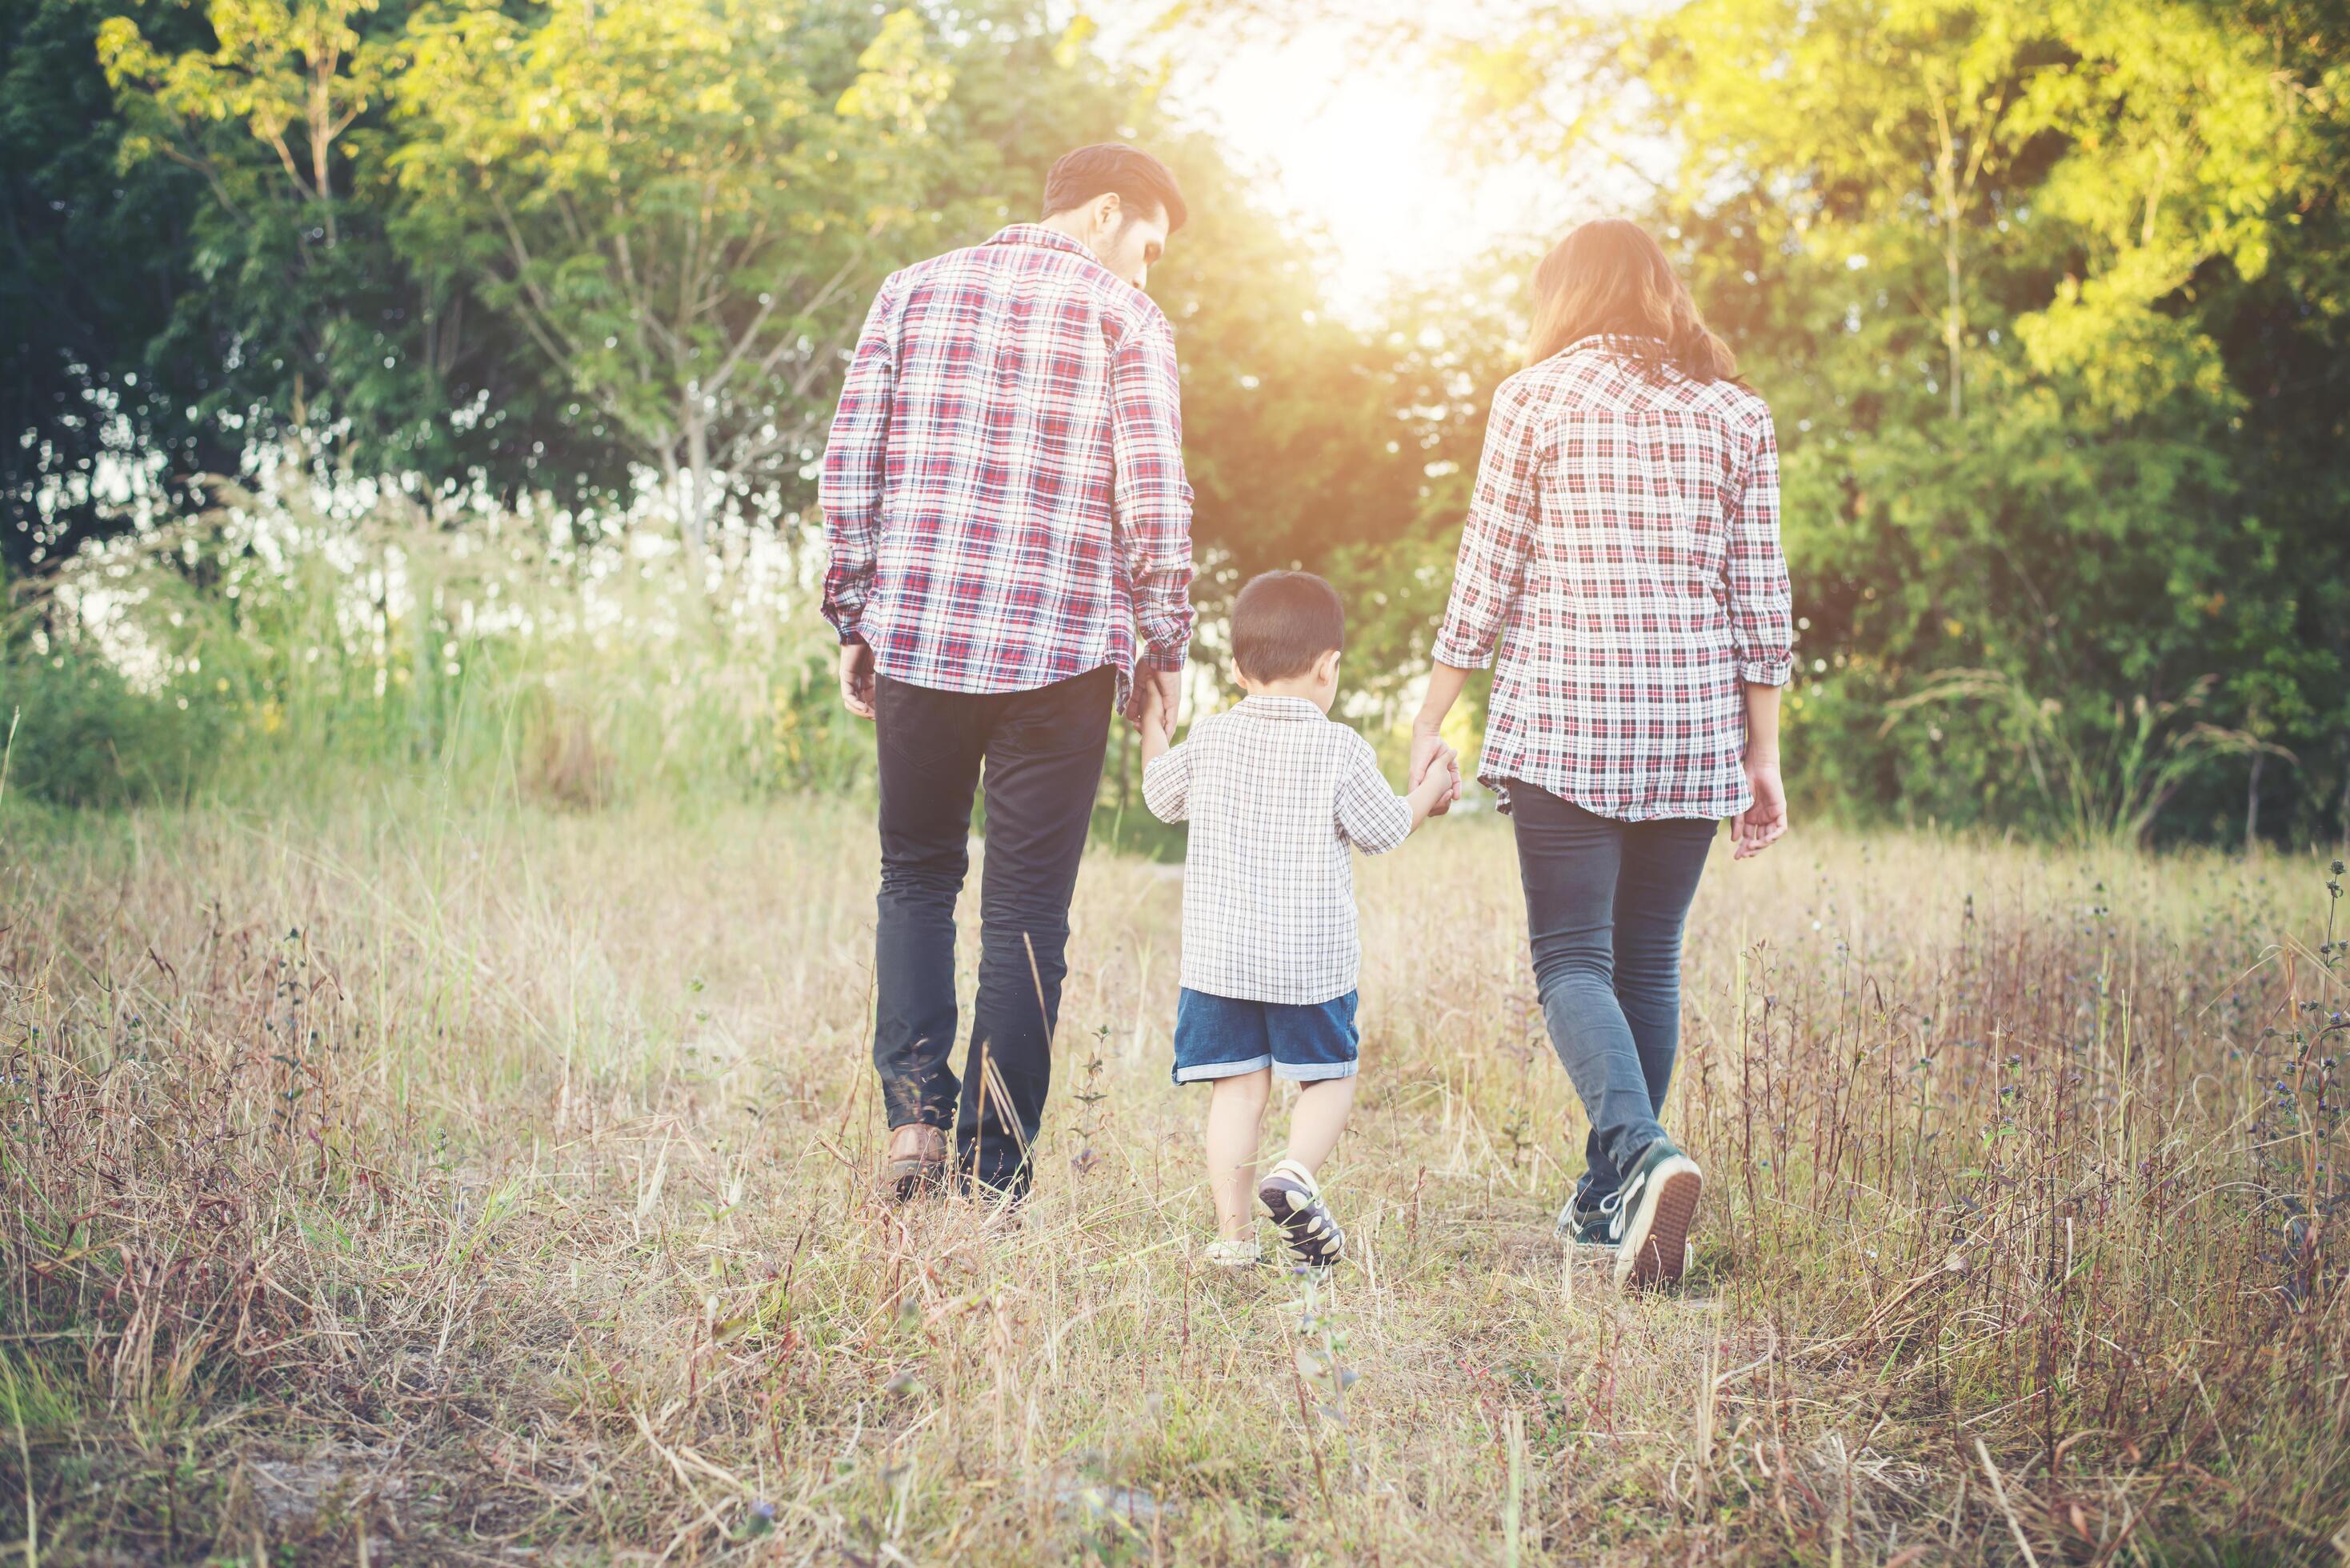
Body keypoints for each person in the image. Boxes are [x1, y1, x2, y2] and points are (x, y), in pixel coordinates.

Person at [1410, 219, 1794, 1290]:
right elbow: (1760, 597)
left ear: (1565, 297)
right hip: (1692, 719)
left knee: (1573, 960)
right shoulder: (1734, 412)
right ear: (1660, 292)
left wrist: (1430, 714)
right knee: (1648, 960)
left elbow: (1485, 574)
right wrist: (1764, 756)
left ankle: (1638, 1153)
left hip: (1568, 713)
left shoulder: (1533, 398)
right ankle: (1603, 1204)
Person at [819, 144, 1196, 1202]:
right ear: (1109, 212)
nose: (1148, 271)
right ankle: (996, 1172)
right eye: (1150, 247)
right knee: (1029, 908)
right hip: (1062, 654)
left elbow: (853, 464)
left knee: (917, 874)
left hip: (924, 641)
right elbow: (1156, 501)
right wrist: (1160, 646)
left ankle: (913, 1124)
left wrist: (854, 613)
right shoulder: (1126, 320)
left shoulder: (911, 291)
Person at [1140, 572, 1459, 1268]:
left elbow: (1160, 796)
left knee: (1237, 1087)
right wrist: (1430, 788)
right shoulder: (1340, 748)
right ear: (1329, 667)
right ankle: (1297, 1174)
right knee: (1328, 1077)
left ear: (1234, 667)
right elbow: (1381, 830)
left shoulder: (1213, 737)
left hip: (1219, 962)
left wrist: (1150, 728)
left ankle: (1232, 1239)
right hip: (1308, 961)